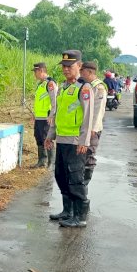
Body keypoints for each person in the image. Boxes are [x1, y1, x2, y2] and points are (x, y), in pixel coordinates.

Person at [45, 51, 95, 228]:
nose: (66, 69)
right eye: (64, 66)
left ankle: (80, 216)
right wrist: (50, 135)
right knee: (61, 176)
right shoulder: (64, 88)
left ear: (79, 66)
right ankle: (68, 211)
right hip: (62, 140)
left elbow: (88, 117)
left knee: (75, 178)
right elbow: (57, 114)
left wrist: (84, 141)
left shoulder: (84, 88)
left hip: (75, 142)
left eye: (70, 66)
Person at [78, 61, 108, 216]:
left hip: (93, 130)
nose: (80, 73)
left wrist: (92, 130)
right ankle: (81, 191)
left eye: (82, 71)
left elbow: (97, 111)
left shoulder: (98, 87)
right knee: (82, 159)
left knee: (89, 157)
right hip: (85, 129)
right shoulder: (86, 86)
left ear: (89, 72)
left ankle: (84, 194)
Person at [31, 62, 57, 168]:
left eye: (36, 72)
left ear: (41, 70)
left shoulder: (50, 84)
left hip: (46, 118)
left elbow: (54, 102)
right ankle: (42, 160)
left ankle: (51, 162)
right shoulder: (40, 85)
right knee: (39, 137)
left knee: (47, 139)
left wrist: (51, 115)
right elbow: (38, 102)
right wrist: (35, 114)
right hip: (39, 117)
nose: (34, 74)